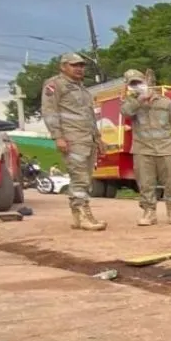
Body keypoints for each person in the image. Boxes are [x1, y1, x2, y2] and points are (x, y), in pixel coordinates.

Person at [42, 52, 107, 231]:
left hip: (87, 139)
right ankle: (83, 214)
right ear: (63, 67)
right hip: (72, 138)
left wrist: (98, 138)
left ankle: (79, 216)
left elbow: (89, 116)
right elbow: (49, 111)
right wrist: (58, 136)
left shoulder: (83, 90)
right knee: (79, 178)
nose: (79, 68)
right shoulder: (55, 85)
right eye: (74, 65)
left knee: (86, 178)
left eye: (81, 65)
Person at [121, 69, 171, 226]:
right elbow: (125, 113)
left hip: (166, 148)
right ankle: (149, 212)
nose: (137, 86)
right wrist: (140, 100)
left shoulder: (165, 102)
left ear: (147, 82)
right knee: (145, 183)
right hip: (142, 149)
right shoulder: (131, 102)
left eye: (139, 82)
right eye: (133, 84)